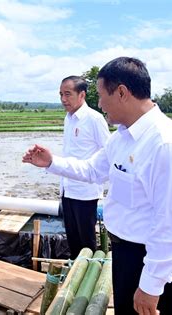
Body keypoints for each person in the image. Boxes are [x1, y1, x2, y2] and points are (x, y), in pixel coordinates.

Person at [23, 57, 172, 315]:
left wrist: (151, 285)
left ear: (122, 92)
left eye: (101, 95)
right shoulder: (122, 138)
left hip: (149, 260)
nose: (100, 104)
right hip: (126, 254)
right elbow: (93, 170)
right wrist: (52, 162)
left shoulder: (166, 144)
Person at [36, 75, 110, 259]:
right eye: (61, 94)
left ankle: (89, 279)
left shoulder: (94, 119)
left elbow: (108, 154)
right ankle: (75, 276)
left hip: (85, 192)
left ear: (82, 95)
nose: (63, 99)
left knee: (87, 242)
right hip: (67, 189)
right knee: (73, 240)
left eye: (68, 94)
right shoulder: (68, 119)